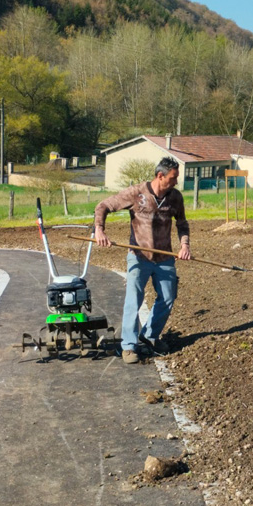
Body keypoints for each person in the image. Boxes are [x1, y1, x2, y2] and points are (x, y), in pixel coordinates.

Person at [94, 156, 191, 364]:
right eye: (173, 178)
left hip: (165, 257)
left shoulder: (175, 198)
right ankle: (129, 346)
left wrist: (185, 245)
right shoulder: (136, 193)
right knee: (133, 301)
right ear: (160, 176)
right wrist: (99, 230)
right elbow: (103, 206)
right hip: (139, 257)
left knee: (167, 297)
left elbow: (182, 223)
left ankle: (148, 336)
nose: (176, 182)